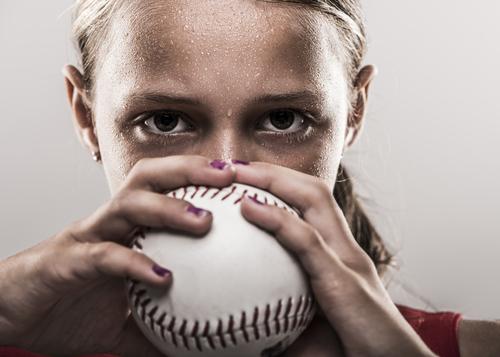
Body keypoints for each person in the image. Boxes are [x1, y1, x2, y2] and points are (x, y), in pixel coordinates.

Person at [0, 0, 499, 356]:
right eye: (166, 121)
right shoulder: (18, 330)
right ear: (86, 117)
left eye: (283, 120)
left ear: (353, 111)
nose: (225, 180)